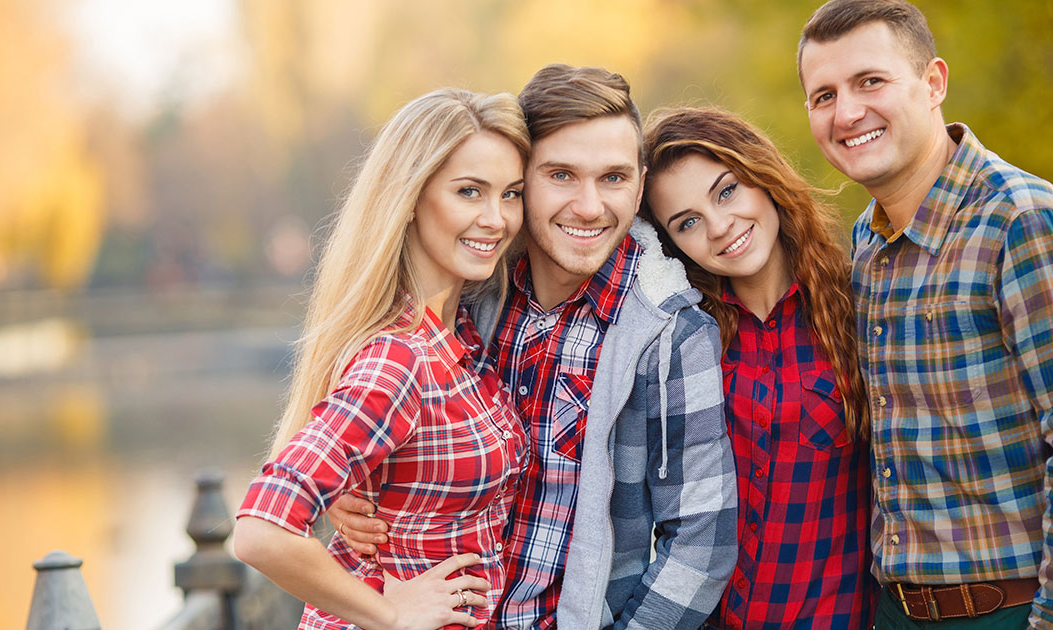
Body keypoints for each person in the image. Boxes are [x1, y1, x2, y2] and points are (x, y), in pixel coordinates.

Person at [331, 64, 738, 630]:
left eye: (614, 178)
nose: (591, 207)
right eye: (563, 175)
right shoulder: (471, 300)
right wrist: (349, 489)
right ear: (521, 179)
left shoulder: (669, 333)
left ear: (641, 184)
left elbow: (699, 547)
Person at [797, 1, 1053, 628]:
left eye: (870, 81)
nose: (847, 113)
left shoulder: (1026, 222)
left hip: (1017, 610)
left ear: (933, 84)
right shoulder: (867, 245)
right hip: (897, 611)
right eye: (824, 95)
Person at [231, 88, 532, 630]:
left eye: (511, 194)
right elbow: (261, 531)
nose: (497, 218)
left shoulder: (458, 332)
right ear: (412, 196)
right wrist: (390, 614)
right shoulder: (398, 360)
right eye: (470, 191)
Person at [640, 106, 875, 629]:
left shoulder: (860, 308)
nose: (720, 227)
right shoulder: (680, 344)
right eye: (688, 222)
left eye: (726, 191)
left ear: (763, 177)